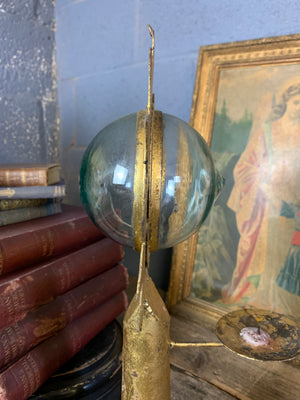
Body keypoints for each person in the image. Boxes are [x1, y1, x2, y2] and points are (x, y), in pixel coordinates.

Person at [222, 78, 300, 317]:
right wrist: (263, 184)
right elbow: (244, 167)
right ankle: (255, 293)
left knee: (285, 249)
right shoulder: (267, 131)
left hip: (291, 205)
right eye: (297, 101)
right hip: (263, 204)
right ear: (287, 102)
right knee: (259, 249)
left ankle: (281, 302)